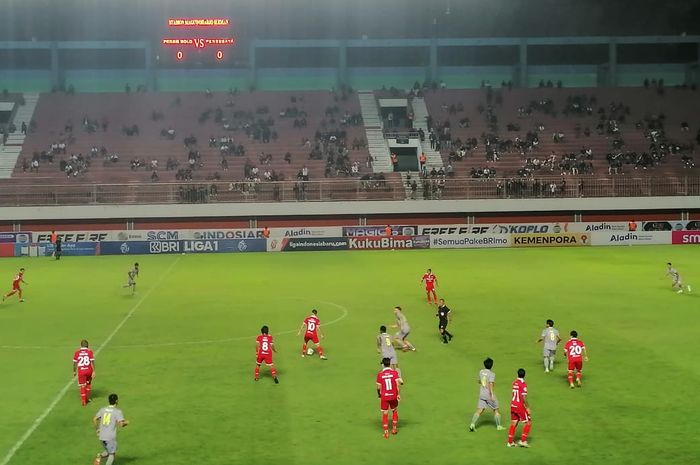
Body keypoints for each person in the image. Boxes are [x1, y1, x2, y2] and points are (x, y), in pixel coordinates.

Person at [469, 357, 504, 432]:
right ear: (492, 365)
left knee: (479, 410)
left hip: (482, 394)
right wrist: (491, 395)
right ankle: (499, 426)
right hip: (488, 394)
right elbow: (491, 384)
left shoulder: (481, 371)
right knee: (496, 409)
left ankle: (472, 424)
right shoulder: (492, 374)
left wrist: (483, 383)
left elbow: (479, 381)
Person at [93, 393, 128, 465]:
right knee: (112, 454)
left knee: (108, 450)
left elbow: (94, 419)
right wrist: (126, 422)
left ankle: (99, 456)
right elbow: (121, 424)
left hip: (101, 436)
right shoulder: (117, 411)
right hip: (110, 436)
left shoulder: (102, 409)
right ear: (116, 401)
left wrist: (97, 430)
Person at [376, 357, 403, 438]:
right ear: (390, 364)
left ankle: (386, 433)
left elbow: (378, 387)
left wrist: (379, 395)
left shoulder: (380, 375)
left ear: (383, 365)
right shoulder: (394, 373)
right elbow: (398, 384)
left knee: (385, 413)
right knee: (394, 411)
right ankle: (394, 429)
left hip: (385, 396)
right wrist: (398, 394)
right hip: (393, 395)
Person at [507, 368, 531, 448]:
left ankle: (510, 442)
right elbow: (524, 397)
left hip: (513, 405)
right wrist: (527, 407)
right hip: (519, 406)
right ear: (524, 375)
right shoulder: (523, 384)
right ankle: (523, 441)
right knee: (528, 423)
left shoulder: (514, 383)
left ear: (517, 374)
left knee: (514, 423)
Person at [73, 339, 96, 406]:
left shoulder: (77, 352)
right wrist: (94, 371)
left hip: (81, 371)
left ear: (81, 345)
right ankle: (87, 398)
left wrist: (74, 371)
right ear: (87, 345)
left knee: (82, 385)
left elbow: (74, 363)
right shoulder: (90, 352)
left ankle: (83, 400)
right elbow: (92, 362)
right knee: (88, 384)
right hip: (89, 370)